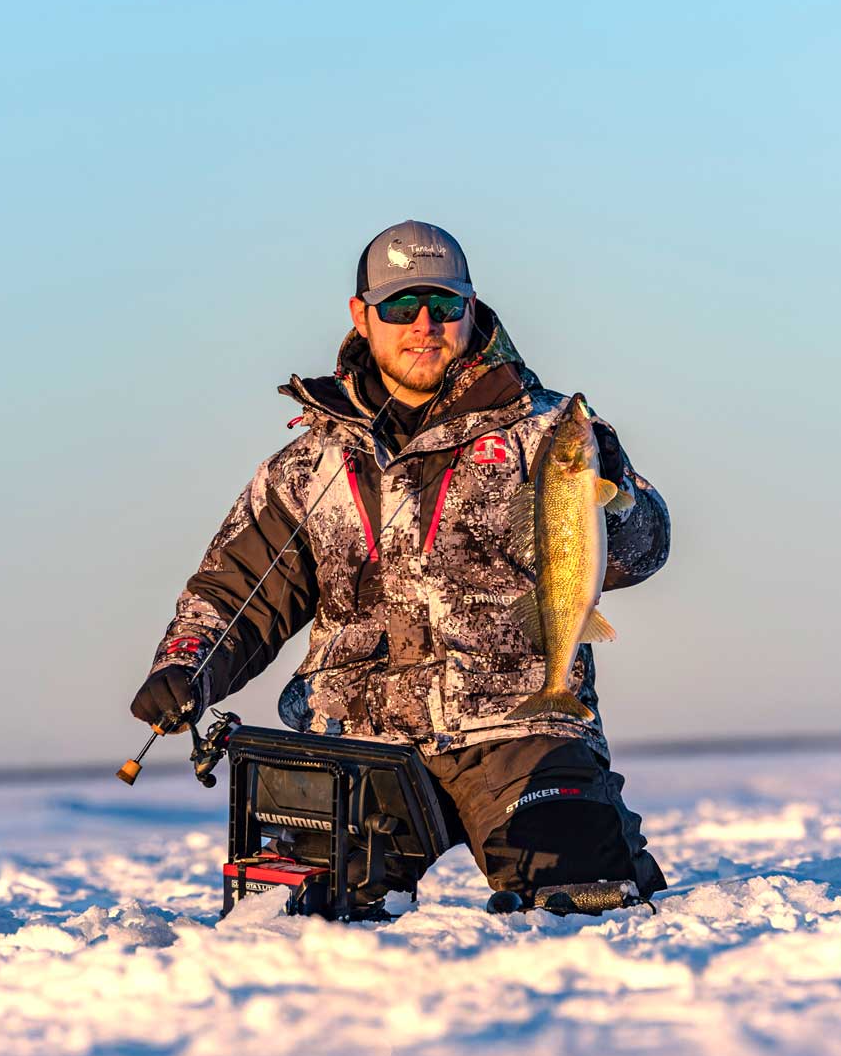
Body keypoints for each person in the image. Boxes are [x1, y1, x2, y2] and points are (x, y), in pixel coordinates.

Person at [130, 221, 668, 904]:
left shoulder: (552, 432)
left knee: (582, 893)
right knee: (294, 923)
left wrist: (616, 493)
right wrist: (184, 665)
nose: (424, 325)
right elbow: (238, 590)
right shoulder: (306, 466)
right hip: (354, 740)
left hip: (518, 729)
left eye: (443, 306)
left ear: (471, 311)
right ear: (362, 315)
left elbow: (642, 552)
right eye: (400, 306)